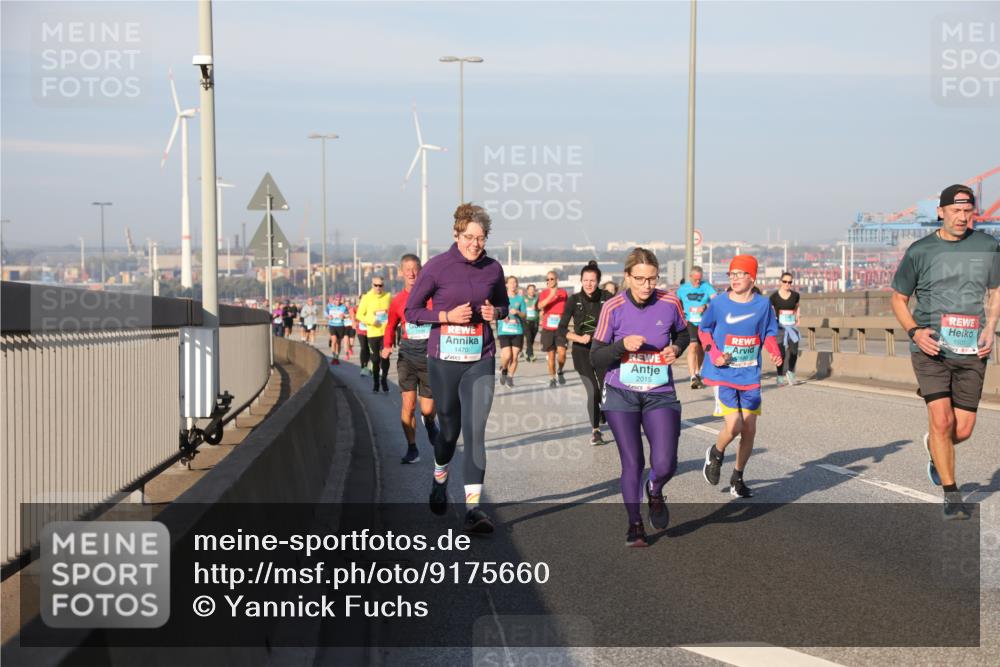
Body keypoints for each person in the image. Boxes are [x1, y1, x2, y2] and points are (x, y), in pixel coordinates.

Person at [891, 183, 1000, 521]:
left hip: (972, 351)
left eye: (968, 211)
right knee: (942, 419)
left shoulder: (988, 246)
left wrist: (990, 325)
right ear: (940, 212)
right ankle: (952, 495)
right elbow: (898, 298)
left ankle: (935, 450)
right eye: (955, 211)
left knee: (962, 430)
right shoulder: (921, 251)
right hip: (931, 347)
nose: (962, 217)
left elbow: (996, 289)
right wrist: (915, 331)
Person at [405, 203, 508, 533]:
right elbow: (412, 311)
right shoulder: (437, 267)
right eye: (469, 237)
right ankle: (439, 477)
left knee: (476, 431)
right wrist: (446, 317)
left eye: (480, 238)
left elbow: (503, 304)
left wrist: (497, 313)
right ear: (456, 233)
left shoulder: (493, 269)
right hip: (444, 359)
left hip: (481, 357)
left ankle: (473, 509)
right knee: (449, 431)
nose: (475, 244)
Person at [591, 248, 689, 547]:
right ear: (627, 277)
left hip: (659, 393)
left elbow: (684, 334)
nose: (647, 285)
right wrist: (621, 345)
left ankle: (655, 489)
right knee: (632, 461)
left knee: (665, 463)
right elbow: (596, 357)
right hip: (622, 393)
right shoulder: (613, 307)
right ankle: (634, 525)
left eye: (652, 279)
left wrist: (675, 349)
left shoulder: (670, 302)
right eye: (640, 279)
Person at [698, 255, 782, 499]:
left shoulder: (763, 304)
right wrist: (714, 354)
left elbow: (768, 332)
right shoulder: (720, 303)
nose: (734, 278)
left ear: (752, 277)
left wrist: (775, 352)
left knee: (749, 428)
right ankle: (716, 452)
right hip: (724, 373)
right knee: (733, 424)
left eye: (740, 274)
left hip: (750, 374)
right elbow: (704, 331)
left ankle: (738, 477)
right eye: (731, 274)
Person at [382, 254, 440, 464]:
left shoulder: (433, 298)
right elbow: (390, 325)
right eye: (407, 269)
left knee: (427, 409)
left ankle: (431, 421)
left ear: (421, 270)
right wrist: (387, 345)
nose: (412, 273)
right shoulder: (397, 300)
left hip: (429, 353)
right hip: (407, 353)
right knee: (408, 404)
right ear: (401, 273)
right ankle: (412, 448)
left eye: (415, 268)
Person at [558, 261, 612, 445]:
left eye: (593, 280)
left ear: (598, 281)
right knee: (593, 391)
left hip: (603, 350)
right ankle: (596, 431)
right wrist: (579, 338)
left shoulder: (607, 297)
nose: (589, 284)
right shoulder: (573, 300)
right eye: (585, 280)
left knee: (607, 390)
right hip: (582, 352)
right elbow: (562, 329)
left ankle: (604, 410)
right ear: (581, 280)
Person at [675, 266, 716, 389]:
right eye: (695, 280)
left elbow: (716, 301)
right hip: (690, 321)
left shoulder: (706, 287)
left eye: (700, 279)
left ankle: (698, 372)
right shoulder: (683, 289)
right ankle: (692, 376)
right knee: (693, 346)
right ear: (690, 277)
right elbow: (676, 304)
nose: (698, 282)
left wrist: (706, 306)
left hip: (703, 322)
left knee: (701, 349)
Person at [357, 276, 392, 392]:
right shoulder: (366, 298)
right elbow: (359, 315)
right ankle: (376, 382)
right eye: (375, 285)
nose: (378, 288)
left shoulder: (388, 296)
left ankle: (384, 380)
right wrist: (372, 321)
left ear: (383, 285)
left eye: (380, 285)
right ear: (372, 285)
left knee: (386, 357)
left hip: (386, 333)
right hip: (373, 334)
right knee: (376, 360)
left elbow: (393, 312)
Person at [769, 272, 801, 386]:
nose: (787, 284)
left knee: (794, 351)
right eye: (785, 281)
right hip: (779, 327)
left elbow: (797, 307)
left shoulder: (795, 295)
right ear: (780, 282)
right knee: (780, 353)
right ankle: (779, 376)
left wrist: (798, 318)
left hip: (792, 327)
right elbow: (770, 311)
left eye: (790, 282)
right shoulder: (774, 297)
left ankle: (791, 372)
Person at [538, 270, 569, 388]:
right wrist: (551, 295)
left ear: (557, 280)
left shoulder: (563, 293)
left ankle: (560, 370)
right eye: (547, 279)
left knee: (562, 353)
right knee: (551, 355)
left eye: (552, 279)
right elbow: (540, 306)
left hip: (561, 328)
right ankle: (552, 378)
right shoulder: (544, 293)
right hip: (548, 329)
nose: (549, 281)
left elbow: (567, 308)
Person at [497, 276, 526, 387]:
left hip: (517, 331)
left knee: (515, 356)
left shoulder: (520, 299)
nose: (513, 284)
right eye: (511, 282)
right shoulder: (501, 298)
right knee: (507, 355)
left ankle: (510, 377)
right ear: (506, 285)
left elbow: (524, 315)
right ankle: (504, 369)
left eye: (515, 282)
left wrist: (518, 312)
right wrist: (502, 317)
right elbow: (495, 312)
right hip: (504, 331)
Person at [326, 294, 349, 365]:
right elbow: (325, 313)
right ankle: (334, 356)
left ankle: (337, 357)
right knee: (334, 341)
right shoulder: (330, 306)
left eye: (339, 300)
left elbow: (347, 315)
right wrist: (328, 316)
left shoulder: (344, 307)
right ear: (334, 300)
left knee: (338, 343)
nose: (337, 301)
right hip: (332, 325)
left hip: (340, 326)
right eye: (336, 300)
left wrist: (344, 316)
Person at [523, 284, 540, 362]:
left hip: (535, 321)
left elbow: (541, 308)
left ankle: (527, 352)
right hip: (526, 321)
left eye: (533, 289)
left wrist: (537, 308)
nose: (532, 291)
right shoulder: (523, 298)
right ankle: (531, 355)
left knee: (532, 339)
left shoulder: (537, 298)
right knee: (529, 337)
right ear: (527, 290)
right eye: (530, 289)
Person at [355, 300, 370, 376]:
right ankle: (362, 367)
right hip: (360, 331)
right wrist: (355, 321)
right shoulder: (357, 308)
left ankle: (366, 366)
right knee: (363, 347)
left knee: (368, 349)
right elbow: (352, 314)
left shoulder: (370, 308)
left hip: (370, 331)